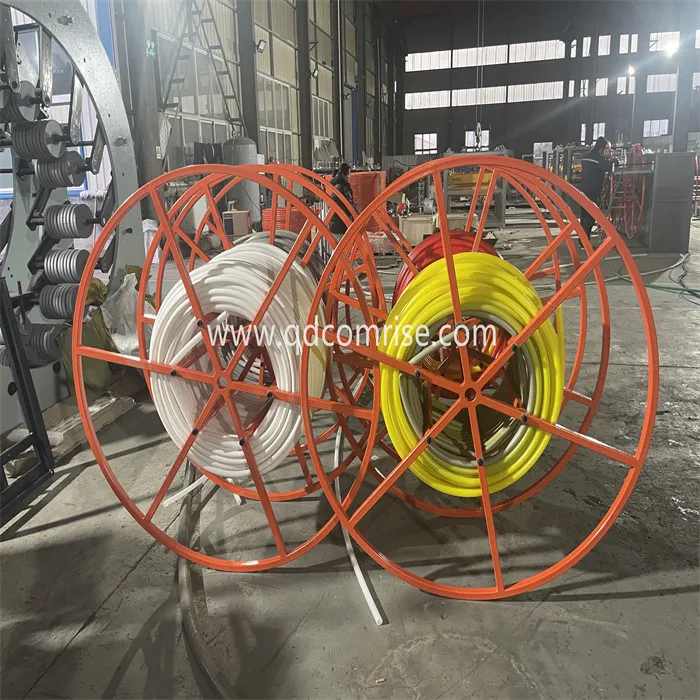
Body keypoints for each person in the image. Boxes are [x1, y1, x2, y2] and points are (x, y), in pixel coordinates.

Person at [578, 136, 614, 246]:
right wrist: (613, 161)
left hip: (583, 189)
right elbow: (606, 167)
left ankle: (582, 241)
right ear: (602, 148)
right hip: (593, 190)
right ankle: (585, 243)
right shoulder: (598, 157)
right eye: (606, 148)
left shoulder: (587, 156)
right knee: (591, 216)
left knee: (584, 216)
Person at [328, 163, 356, 237]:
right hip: (341, 225)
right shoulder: (343, 188)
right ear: (344, 174)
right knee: (343, 243)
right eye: (348, 174)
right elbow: (349, 205)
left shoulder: (336, 187)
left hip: (335, 225)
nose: (349, 177)